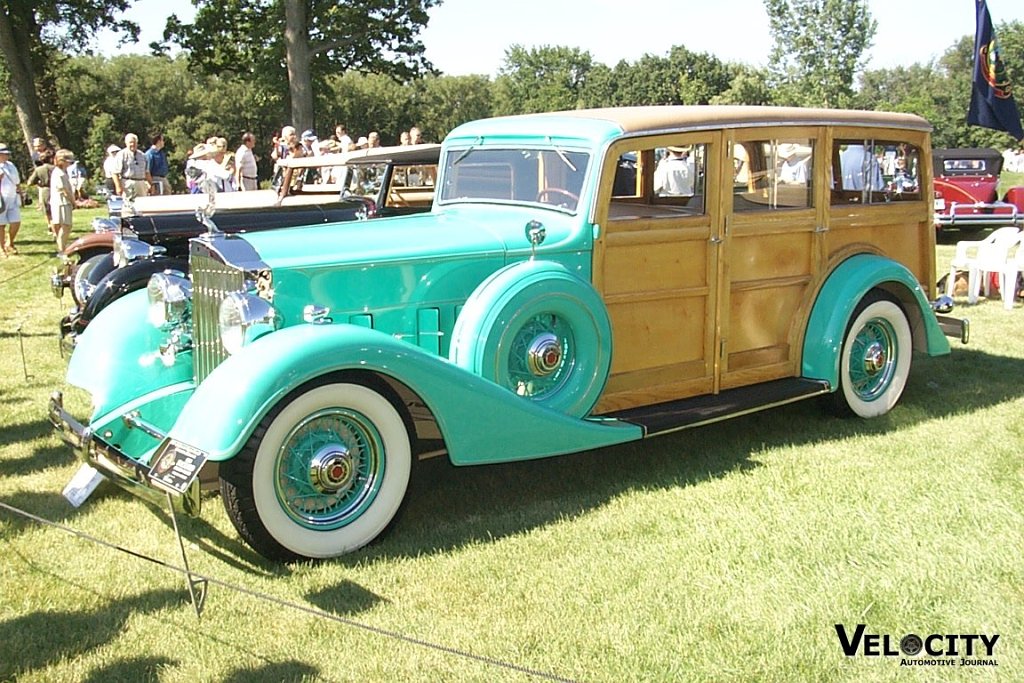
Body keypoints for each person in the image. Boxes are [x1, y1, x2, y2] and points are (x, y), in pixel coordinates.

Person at [50, 148, 76, 254]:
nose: (70, 164)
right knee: (66, 226)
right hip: (62, 202)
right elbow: (64, 190)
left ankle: (62, 247)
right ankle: (61, 250)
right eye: (68, 161)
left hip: (60, 202)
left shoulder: (61, 172)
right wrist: (73, 201)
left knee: (64, 226)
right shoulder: (59, 173)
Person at [0, 143, 23, 256]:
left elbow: (17, 181)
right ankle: (2, 247)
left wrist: (20, 192)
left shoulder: (11, 165)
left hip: (12, 196)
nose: (6, 156)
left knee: (16, 222)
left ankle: (10, 242)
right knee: (1, 224)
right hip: (1, 198)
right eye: (4, 154)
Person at [113, 133, 151, 199]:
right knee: (129, 205)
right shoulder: (121, 155)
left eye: (134, 142)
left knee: (143, 204)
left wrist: (151, 184)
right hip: (128, 183)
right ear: (126, 143)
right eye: (130, 142)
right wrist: (118, 187)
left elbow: (147, 172)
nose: (132, 144)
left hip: (141, 183)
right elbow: (115, 173)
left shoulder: (142, 155)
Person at [28, 150, 55, 235]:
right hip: (55, 189)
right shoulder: (56, 168)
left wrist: (38, 183)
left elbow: (29, 182)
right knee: (55, 210)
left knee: (47, 210)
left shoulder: (39, 170)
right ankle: (56, 226)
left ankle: (50, 226)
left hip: (45, 190)